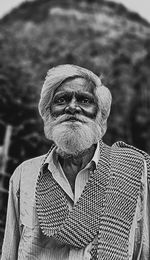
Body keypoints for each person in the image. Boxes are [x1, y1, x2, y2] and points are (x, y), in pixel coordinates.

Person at [1, 64, 150, 260]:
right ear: (48, 112)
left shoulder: (131, 170)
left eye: (84, 100)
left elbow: (143, 249)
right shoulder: (24, 174)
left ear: (100, 114)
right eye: (61, 99)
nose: (72, 107)